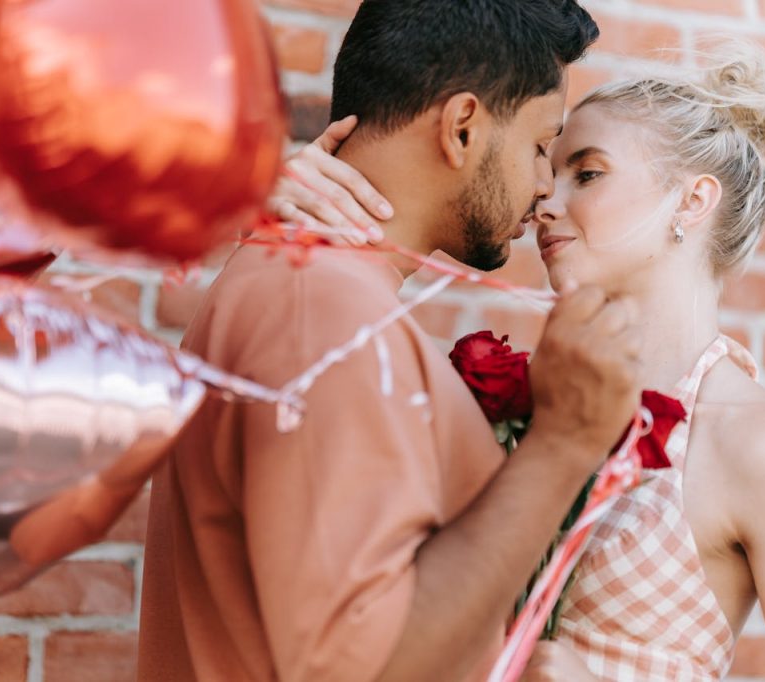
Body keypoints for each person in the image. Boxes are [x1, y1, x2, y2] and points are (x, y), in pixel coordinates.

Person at [279, 39, 765, 681]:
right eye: (550, 169)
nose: (545, 197)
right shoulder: (525, 406)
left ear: (692, 201)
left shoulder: (764, 452)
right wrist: (287, 221)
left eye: (588, 172)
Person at [137, 1, 646, 681]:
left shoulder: (315, 288)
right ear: (462, 128)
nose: (543, 186)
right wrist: (563, 443)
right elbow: (361, 666)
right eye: (537, 146)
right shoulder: (319, 306)